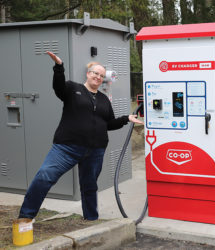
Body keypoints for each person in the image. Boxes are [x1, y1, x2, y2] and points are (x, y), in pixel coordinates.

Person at [18, 51, 143, 221]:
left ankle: (91, 219)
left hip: (95, 150)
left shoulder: (104, 99)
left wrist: (126, 118)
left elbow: (109, 124)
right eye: (95, 73)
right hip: (67, 147)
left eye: (101, 75)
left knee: (90, 186)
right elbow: (58, 86)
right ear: (88, 74)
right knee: (45, 176)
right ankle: (25, 217)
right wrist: (59, 67)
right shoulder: (72, 88)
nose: (98, 77)